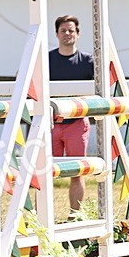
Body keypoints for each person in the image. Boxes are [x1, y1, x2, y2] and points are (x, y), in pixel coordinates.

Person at [48, 14, 95, 212]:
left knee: (77, 171)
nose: (67, 33)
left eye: (71, 30)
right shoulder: (45, 60)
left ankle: (75, 215)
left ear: (78, 33)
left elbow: (101, 89)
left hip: (77, 124)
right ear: (57, 34)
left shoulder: (89, 61)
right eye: (63, 30)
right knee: (44, 172)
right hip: (50, 123)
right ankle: (44, 217)